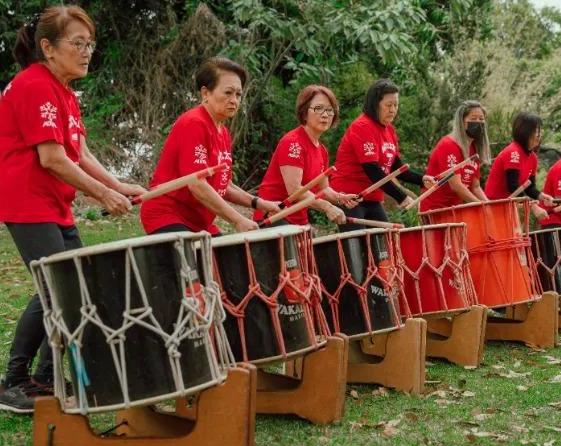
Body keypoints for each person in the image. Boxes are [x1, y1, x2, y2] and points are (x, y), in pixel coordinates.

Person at [0, 5, 145, 413]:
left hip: (53, 202)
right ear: (47, 47)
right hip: (27, 200)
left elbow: (78, 151)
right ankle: (14, 381)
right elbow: (51, 157)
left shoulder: (63, 91)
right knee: (55, 287)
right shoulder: (33, 85)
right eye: (77, 43)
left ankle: (46, 376)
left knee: (75, 285)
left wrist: (117, 184)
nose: (86, 52)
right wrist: (102, 195)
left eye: (90, 44)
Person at [140, 57, 279, 236]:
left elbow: (224, 185)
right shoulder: (194, 123)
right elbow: (196, 183)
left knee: (226, 260)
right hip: (167, 215)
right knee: (201, 261)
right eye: (228, 92)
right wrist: (238, 219)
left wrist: (258, 203)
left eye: (238, 94)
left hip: (198, 221)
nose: (234, 100)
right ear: (205, 93)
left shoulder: (223, 132)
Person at [330, 79, 434, 231]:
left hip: (372, 198)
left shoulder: (389, 130)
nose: (393, 110)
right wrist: (401, 197)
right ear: (375, 104)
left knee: (385, 245)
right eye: (388, 105)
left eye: (396, 105)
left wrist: (422, 180)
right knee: (359, 245)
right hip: (350, 197)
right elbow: (373, 171)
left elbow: (395, 166)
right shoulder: (362, 126)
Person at [254, 85, 356, 226]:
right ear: (304, 113)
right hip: (274, 215)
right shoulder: (292, 143)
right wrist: (327, 207)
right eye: (318, 108)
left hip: (297, 219)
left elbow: (323, 189)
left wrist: (341, 198)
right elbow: (295, 190)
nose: (325, 114)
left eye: (329, 110)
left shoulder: (322, 151)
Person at [419, 100, 490, 212]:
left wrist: (490, 206)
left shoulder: (473, 148)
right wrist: (481, 206)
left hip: (454, 210)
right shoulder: (449, 145)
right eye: (473, 119)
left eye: (481, 119)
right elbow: (456, 185)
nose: (478, 122)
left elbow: (475, 187)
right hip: (435, 210)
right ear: (462, 122)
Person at [485, 112, 551, 221]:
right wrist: (533, 206)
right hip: (495, 206)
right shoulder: (513, 152)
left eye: (540, 130)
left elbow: (530, 187)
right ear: (525, 132)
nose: (539, 135)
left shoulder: (532, 157)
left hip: (509, 207)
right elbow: (513, 186)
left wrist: (541, 196)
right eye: (536, 131)